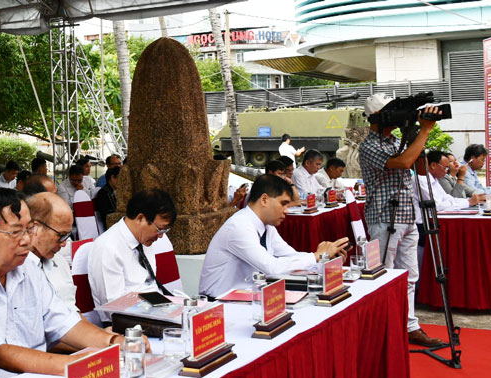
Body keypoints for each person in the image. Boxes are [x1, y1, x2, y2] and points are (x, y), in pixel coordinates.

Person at [0, 188, 126, 378]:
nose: (26, 240)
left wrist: (115, 342)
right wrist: (69, 365)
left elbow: (65, 322)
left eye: (28, 229)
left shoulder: (29, 269)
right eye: (16, 232)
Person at [359, 93, 443, 347]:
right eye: (393, 112)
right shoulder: (369, 145)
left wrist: (414, 132)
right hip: (384, 217)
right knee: (384, 276)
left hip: (407, 215)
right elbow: (404, 162)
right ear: (377, 117)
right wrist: (425, 131)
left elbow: (419, 167)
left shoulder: (397, 140)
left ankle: (410, 327)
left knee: (409, 276)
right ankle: (384, 329)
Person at [199, 175, 349, 298]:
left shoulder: (267, 227)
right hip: (219, 304)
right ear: (264, 200)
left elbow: (291, 257)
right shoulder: (239, 227)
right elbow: (272, 268)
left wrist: (325, 260)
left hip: (247, 298)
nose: (287, 211)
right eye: (283, 204)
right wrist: (317, 255)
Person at [87, 189, 178, 320]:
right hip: (127, 322)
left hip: (156, 312)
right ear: (140, 218)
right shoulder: (108, 247)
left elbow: (150, 286)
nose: (161, 236)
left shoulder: (143, 240)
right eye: (159, 229)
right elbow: (113, 307)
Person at [26, 193, 76, 310]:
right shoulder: (14, 269)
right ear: (34, 227)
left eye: (68, 235)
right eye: (61, 235)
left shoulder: (59, 261)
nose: (64, 243)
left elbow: (72, 312)